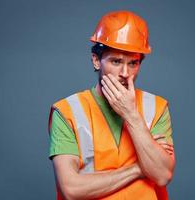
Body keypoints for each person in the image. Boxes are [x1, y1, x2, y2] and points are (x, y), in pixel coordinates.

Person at [48, 10, 176, 200]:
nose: (125, 72)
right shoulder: (67, 111)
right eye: (116, 61)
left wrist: (131, 114)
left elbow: (162, 174)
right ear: (96, 60)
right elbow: (72, 189)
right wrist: (139, 168)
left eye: (133, 63)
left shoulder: (156, 107)